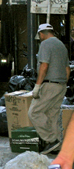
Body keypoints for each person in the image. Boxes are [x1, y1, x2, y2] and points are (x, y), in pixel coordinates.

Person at [28, 23, 70, 155]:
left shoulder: (45, 44)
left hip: (50, 84)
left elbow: (44, 66)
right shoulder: (61, 45)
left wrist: (37, 86)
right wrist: (62, 83)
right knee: (52, 114)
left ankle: (51, 140)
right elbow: (67, 69)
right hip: (61, 85)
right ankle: (57, 144)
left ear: (41, 34)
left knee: (34, 112)